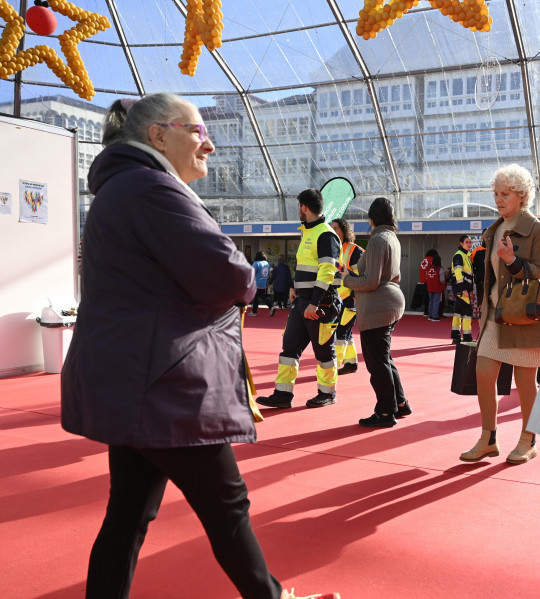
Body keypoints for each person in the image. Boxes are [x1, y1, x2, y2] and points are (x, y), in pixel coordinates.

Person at [59, 93, 334, 599]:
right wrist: (247, 278)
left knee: (128, 516)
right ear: (158, 136)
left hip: (136, 378)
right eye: (197, 130)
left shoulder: (122, 188)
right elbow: (228, 273)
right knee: (226, 507)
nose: (209, 142)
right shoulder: (151, 188)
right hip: (166, 380)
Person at [460, 164, 540, 465]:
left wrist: (513, 261)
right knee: (484, 373)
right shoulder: (496, 227)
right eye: (496, 193)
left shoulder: (537, 229)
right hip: (495, 316)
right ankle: (488, 438)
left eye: (505, 194)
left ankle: (529, 439)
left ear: (522, 195)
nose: (498, 199)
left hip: (525, 318)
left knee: (526, 382)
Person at [256, 189, 342, 409]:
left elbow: (327, 270)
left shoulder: (326, 234)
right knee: (289, 348)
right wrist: (294, 286)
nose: (298, 211)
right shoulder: (308, 232)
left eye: (298, 207)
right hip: (302, 300)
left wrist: (314, 301)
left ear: (304, 207)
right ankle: (283, 395)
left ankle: (327, 393)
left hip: (320, 303)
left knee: (323, 350)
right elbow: (305, 265)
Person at [343, 198, 411, 427]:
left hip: (378, 306)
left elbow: (370, 281)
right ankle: (399, 403)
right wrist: (349, 273)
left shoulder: (377, 239)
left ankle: (385, 411)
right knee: (384, 358)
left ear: (371, 218)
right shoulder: (391, 237)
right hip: (390, 302)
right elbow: (367, 273)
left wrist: (346, 280)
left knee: (377, 362)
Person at [331, 218, 363, 375]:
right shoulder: (333, 249)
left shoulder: (354, 250)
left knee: (340, 333)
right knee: (346, 332)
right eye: (332, 228)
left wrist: (355, 296)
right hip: (336, 299)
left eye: (336, 228)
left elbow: (363, 276)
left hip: (349, 299)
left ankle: (333, 366)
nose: (333, 231)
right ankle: (351, 363)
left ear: (344, 230)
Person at [450, 234, 475, 343]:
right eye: (467, 242)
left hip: (461, 289)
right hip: (461, 289)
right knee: (467, 312)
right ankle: (467, 337)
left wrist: (471, 290)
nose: (469, 244)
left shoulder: (465, 256)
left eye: (470, 242)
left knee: (458, 313)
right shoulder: (459, 255)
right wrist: (464, 289)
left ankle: (456, 337)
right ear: (461, 243)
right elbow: (458, 273)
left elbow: (468, 275)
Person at [250, 251, 274, 316]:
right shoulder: (267, 264)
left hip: (256, 283)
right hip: (263, 283)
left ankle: (254, 312)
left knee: (255, 297)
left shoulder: (256, 263)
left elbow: (251, 273)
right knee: (262, 297)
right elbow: (270, 273)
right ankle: (271, 306)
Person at [470, 230, 487, 318]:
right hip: (480, 280)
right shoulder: (476, 251)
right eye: (485, 235)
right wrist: (475, 276)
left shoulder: (495, 250)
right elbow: (471, 266)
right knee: (481, 297)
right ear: (482, 238)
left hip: (493, 280)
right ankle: (481, 313)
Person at [425, 252, 444, 322]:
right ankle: (434, 316)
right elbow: (442, 279)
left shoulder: (428, 268)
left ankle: (430, 315)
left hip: (430, 287)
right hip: (437, 287)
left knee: (431, 301)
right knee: (436, 301)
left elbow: (427, 277)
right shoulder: (440, 269)